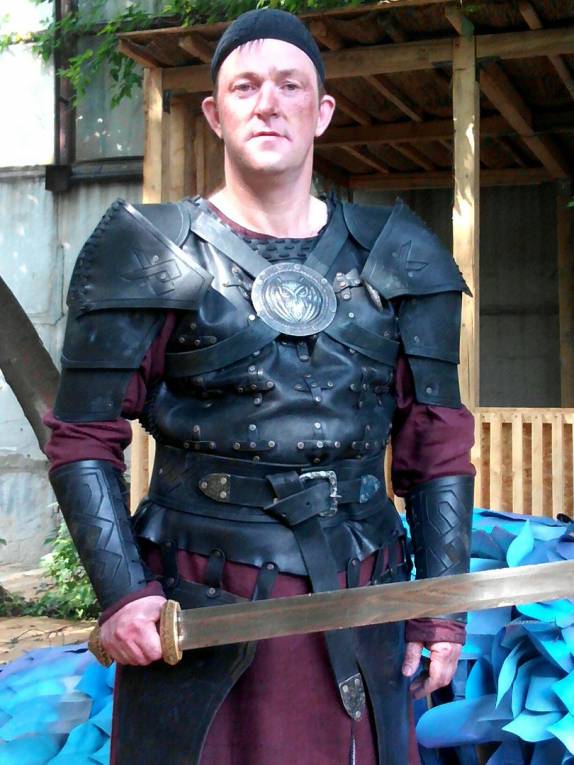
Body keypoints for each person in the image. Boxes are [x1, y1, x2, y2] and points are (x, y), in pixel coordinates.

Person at [45, 8, 475, 765]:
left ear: (322, 111)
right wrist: (124, 591)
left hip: (363, 594)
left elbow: (436, 443)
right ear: (214, 114)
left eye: (289, 85)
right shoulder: (148, 252)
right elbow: (83, 437)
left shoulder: (400, 254)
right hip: (201, 603)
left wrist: (439, 608)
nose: (267, 103)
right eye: (244, 87)